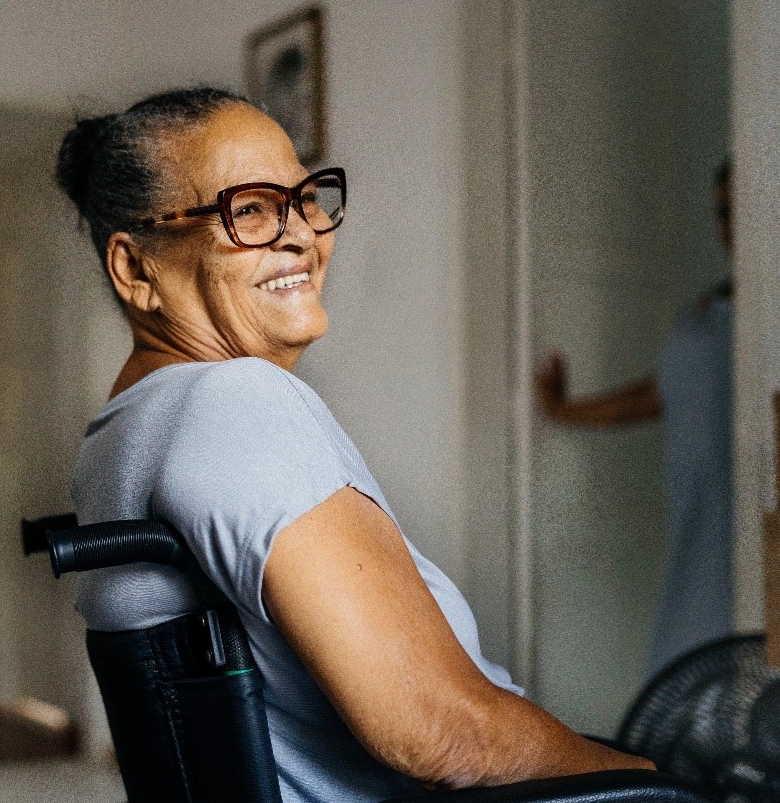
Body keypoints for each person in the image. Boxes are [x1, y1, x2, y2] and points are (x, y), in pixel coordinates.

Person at [57, 88, 652, 803]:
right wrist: (655, 783)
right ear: (135, 269)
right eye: (248, 209)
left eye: (305, 198)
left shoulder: (116, 436)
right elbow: (442, 731)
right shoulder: (234, 398)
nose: (301, 233)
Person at [535, 161, 734, 678]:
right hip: (697, 536)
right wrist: (564, 410)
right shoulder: (708, 309)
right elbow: (662, 393)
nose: (730, 226)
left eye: (742, 208)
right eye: (722, 211)